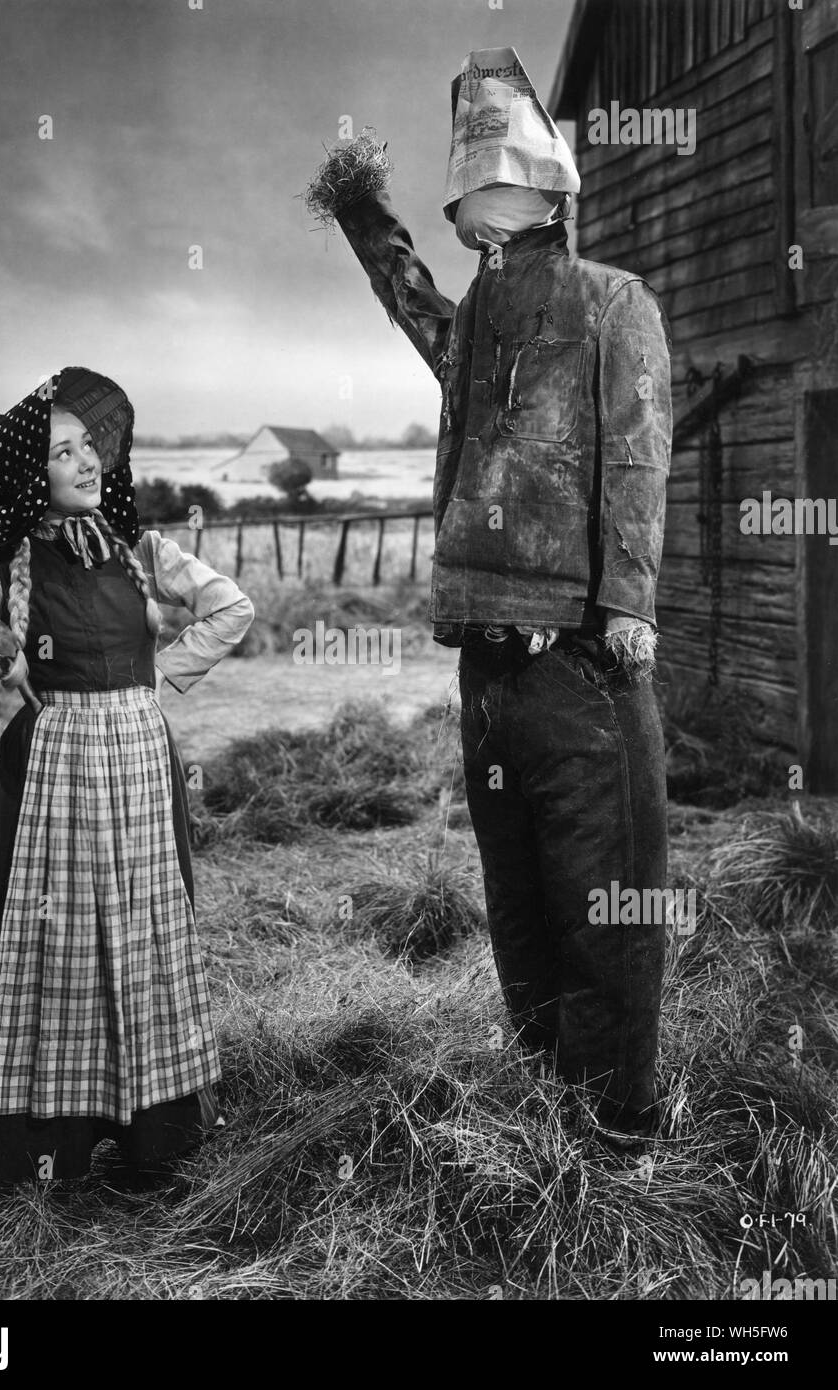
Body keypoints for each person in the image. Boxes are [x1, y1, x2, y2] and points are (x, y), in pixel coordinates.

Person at [306, 49, 672, 1150]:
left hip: (582, 661)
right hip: (488, 666)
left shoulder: (615, 301)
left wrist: (629, 606)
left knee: (604, 898)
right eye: (465, 194)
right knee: (517, 896)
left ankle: (623, 1131)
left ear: (551, 187)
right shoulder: (472, 323)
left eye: (492, 183)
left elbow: (641, 456)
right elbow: (413, 299)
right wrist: (362, 208)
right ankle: (547, 1105)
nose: (475, 205)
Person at [0, 366, 255, 1186]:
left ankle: (155, 1135)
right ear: (31, 474)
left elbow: (232, 610)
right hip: (51, 772)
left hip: (140, 765)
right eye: (62, 451)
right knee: (56, 945)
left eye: (90, 445)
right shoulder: (3, 568)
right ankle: (51, 1147)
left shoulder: (144, 551)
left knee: (145, 932)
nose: (85, 463)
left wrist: (157, 682)